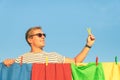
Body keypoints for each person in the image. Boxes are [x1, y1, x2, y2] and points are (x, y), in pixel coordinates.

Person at [3, 26, 95, 67]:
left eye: (44, 35)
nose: (43, 37)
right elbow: (9, 72)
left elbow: (76, 62)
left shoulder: (53, 56)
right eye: (39, 35)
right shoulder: (21, 59)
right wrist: (6, 63)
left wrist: (88, 45)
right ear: (30, 39)